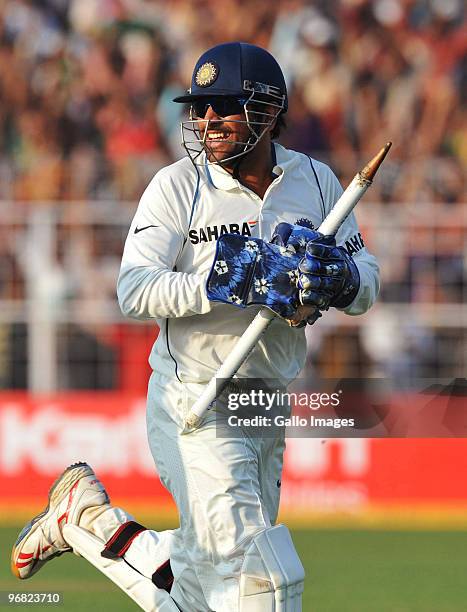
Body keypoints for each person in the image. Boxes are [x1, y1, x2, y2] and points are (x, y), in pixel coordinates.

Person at [11, 42, 379, 611]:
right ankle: (86, 520)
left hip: (266, 400)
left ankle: (86, 520)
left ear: (270, 109)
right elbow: (133, 290)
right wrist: (224, 279)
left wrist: (338, 280)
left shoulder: (319, 182)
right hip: (198, 399)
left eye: (224, 105)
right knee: (259, 579)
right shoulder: (177, 186)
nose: (207, 119)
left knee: (204, 584)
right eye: (200, 107)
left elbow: (367, 278)